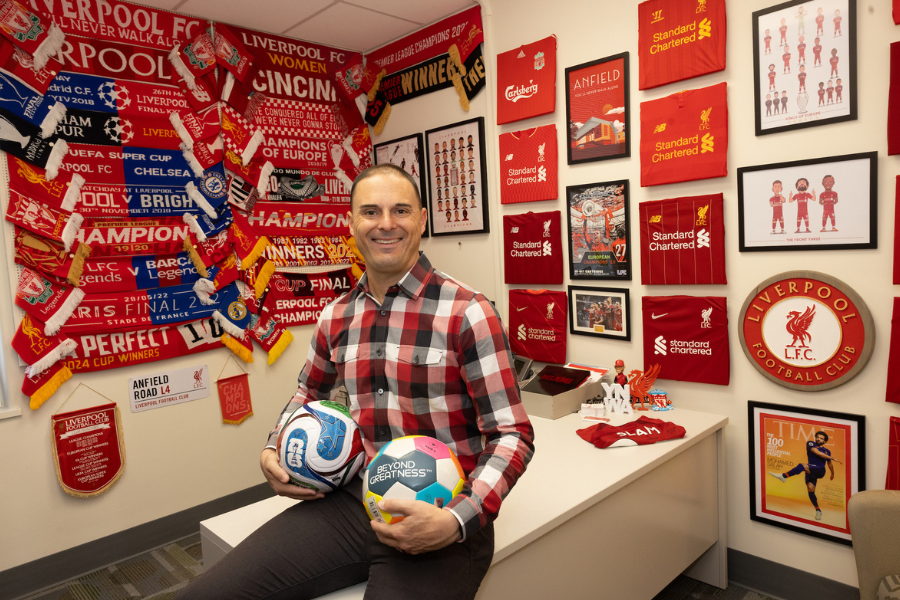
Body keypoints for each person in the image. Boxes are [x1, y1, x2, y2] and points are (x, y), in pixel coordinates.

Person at [176, 164, 535, 600]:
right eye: (370, 212)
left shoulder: (469, 312)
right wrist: (274, 444)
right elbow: (309, 391)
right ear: (352, 223)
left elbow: (512, 434)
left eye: (400, 210)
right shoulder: (337, 316)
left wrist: (458, 519)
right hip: (355, 503)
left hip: (441, 513)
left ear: (422, 220)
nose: (386, 224)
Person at [769, 431, 842, 521]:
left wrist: (832, 473)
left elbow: (829, 464)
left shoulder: (827, 451)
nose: (818, 439)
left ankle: (784, 476)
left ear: (825, 441)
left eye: (821, 438)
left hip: (820, 470)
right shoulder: (811, 444)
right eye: (818, 437)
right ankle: (818, 510)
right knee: (810, 490)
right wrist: (833, 458)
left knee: (802, 466)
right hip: (810, 469)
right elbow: (817, 452)